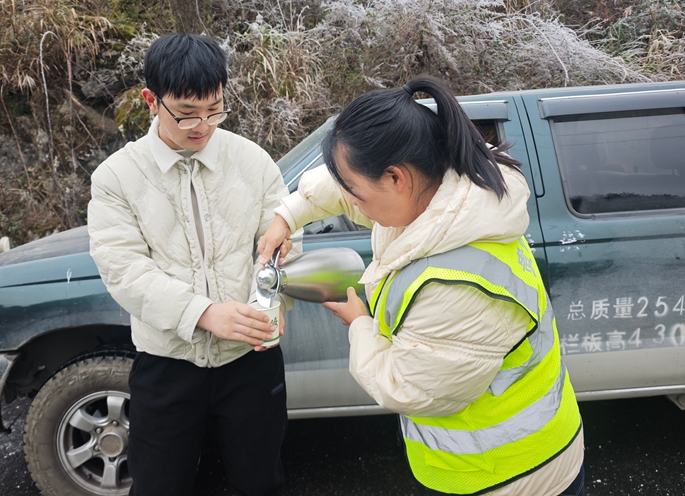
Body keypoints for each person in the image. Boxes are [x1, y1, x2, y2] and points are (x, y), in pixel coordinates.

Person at [258, 76, 585, 496]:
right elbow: (343, 186)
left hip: (512, 475)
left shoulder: (456, 286)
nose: (352, 204)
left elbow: (408, 388)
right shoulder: (450, 192)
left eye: (356, 193)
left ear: (396, 178)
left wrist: (360, 325)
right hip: (506, 461)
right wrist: (290, 213)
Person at [88, 33, 294, 496]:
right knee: (162, 485)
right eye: (186, 113)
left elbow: (278, 239)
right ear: (151, 101)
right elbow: (124, 271)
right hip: (168, 364)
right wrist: (203, 313)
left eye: (214, 109)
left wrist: (277, 270)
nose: (202, 125)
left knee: (260, 482)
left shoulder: (252, 161)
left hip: (250, 362)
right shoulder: (118, 177)